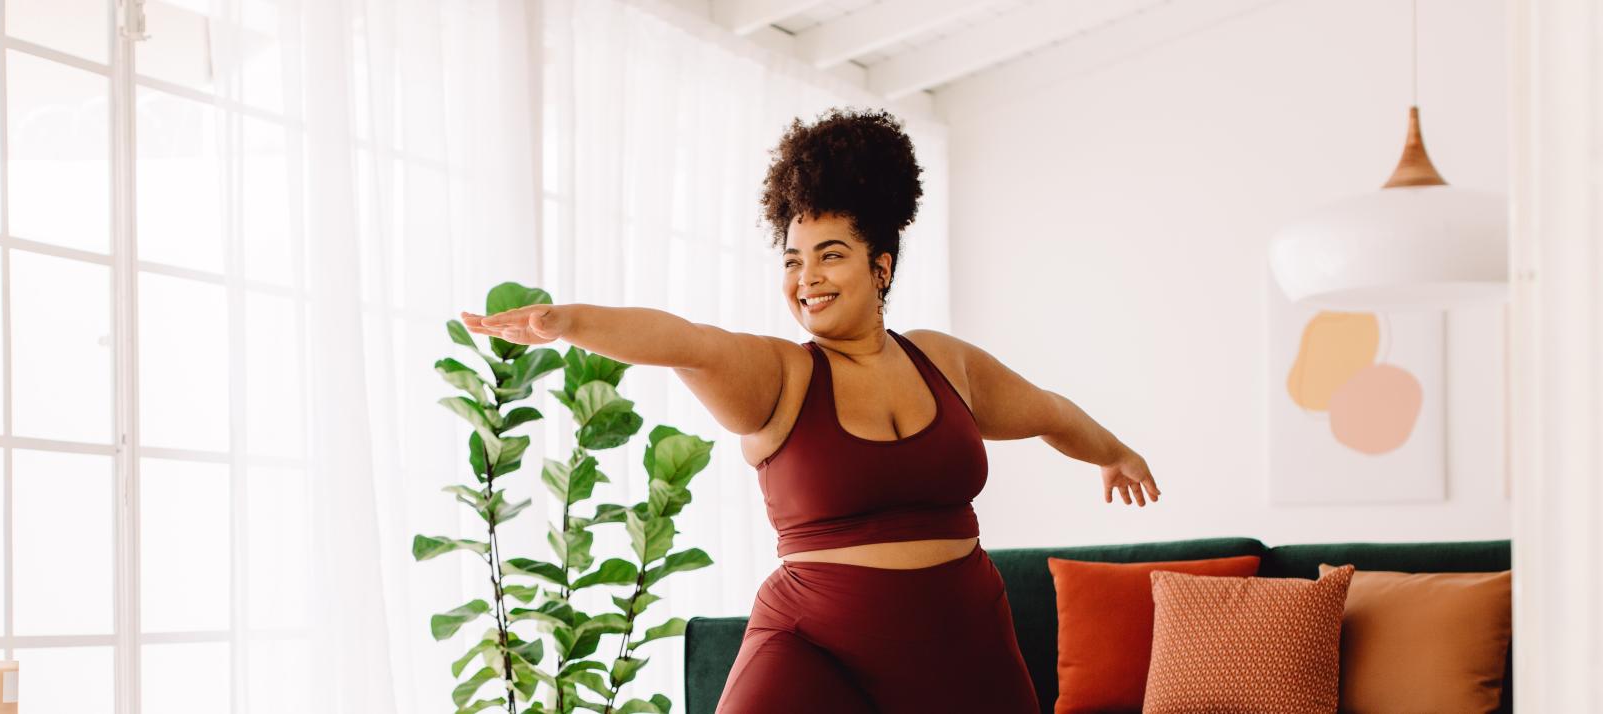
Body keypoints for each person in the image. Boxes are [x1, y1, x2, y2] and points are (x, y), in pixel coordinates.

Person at [460, 107, 1160, 713]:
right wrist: (568, 322)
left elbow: (1046, 412)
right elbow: (687, 342)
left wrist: (1114, 452)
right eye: (793, 260)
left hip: (964, 640)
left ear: (880, 266)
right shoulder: (783, 374)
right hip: (819, 649)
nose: (807, 279)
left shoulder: (944, 362)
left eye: (830, 255)